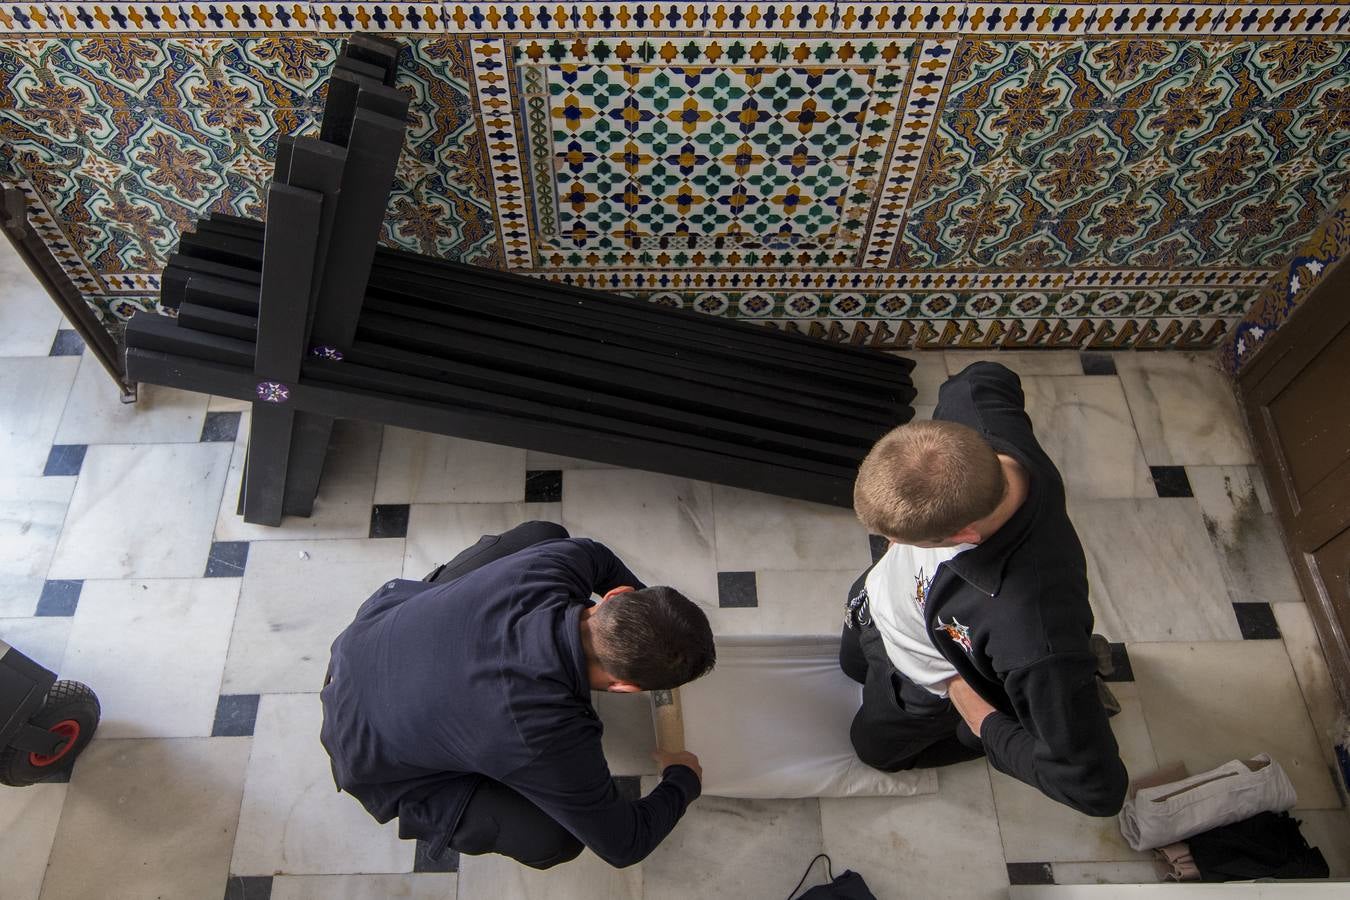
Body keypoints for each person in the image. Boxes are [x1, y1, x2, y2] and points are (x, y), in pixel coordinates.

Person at [319, 521, 715, 869]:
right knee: (555, 840)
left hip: (365, 640)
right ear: (624, 688)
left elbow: (600, 558)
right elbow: (625, 843)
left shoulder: (556, 564)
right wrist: (683, 778)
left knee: (543, 535)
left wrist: (642, 629)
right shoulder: (547, 736)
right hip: (357, 743)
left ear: (614, 596)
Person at [842, 361, 1127, 816]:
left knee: (872, 749)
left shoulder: (1032, 630)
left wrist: (975, 712)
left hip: (935, 679)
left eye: (904, 539)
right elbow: (985, 373)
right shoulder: (976, 410)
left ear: (965, 537)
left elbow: (1094, 788)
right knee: (851, 665)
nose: (889, 544)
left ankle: (1056, 697)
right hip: (880, 605)